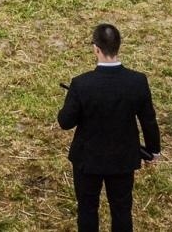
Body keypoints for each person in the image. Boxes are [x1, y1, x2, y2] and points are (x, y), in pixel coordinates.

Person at [57, 23, 161, 232]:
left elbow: (65, 122)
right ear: (118, 46)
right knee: (122, 210)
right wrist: (153, 150)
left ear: (96, 48)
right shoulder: (137, 81)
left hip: (87, 160)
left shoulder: (81, 84)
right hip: (122, 159)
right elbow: (148, 120)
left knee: (87, 209)